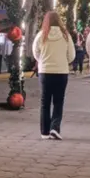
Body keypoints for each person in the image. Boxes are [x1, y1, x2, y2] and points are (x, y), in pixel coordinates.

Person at [32, 11, 75, 140]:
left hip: (45, 72)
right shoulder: (66, 36)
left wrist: (42, 61)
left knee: (45, 102)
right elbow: (72, 55)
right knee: (58, 101)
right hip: (61, 72)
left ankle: (44, 132)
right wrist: (64, 62)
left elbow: (35, 52)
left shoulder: (41, 35)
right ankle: (55, 128)